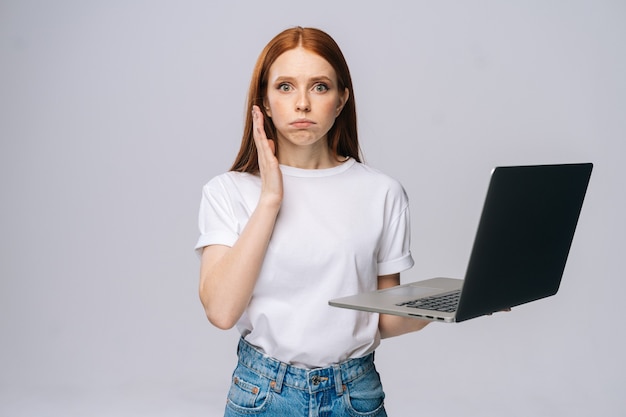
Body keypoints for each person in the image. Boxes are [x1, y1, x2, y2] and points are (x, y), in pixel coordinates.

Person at [195, 26, 429, 417]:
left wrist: (453, 303)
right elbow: (221, 311)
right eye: (285, 87)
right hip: (263, 394)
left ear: (341, 100)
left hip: (355, 395)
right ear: (264, 103)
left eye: (319, 87)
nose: (302, 103)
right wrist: (270, 198)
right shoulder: (227, 191)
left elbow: (384, 319)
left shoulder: (382, 192)